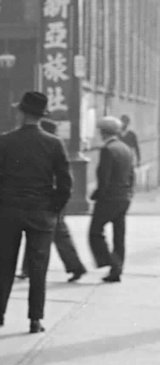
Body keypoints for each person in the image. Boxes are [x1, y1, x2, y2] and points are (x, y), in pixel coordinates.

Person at [0, 91, 71, 334]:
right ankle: (35, 319)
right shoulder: (54, 143)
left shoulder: (5, 141)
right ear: (42, 116)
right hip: (41, 212)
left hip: (9, 210)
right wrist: (53, 208)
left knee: (5, 263)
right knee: (38, 266)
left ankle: (0, 311)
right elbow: (65, 182)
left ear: (21, 113)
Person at [18, 119, 86, 282]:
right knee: (43, 233)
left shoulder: (49, 149)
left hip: (47, 200)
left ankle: (75, 266)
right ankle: (28, 268)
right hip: (50, 199)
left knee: (56, 234)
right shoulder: (54, 147)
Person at [88, 116, 135, 283]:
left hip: (109, 199)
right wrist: (130, 193)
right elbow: (131, 175)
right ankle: (117, 270)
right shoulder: (126, 148)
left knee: (94, 232)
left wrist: (97, 195)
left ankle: (110, 261)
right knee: (119, 235)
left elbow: (104, 178)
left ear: (103, 132)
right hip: (124, 197)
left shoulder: (107, 150)